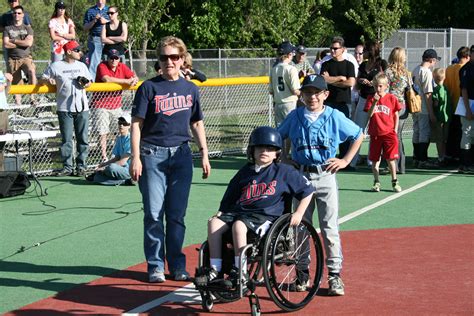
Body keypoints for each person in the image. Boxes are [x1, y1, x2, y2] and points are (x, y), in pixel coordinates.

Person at [130, 36, 211, 283]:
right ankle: (155, 266)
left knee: (176, 215)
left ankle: (177, 265)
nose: (169, 61)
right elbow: (136, 124)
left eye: (174, 57)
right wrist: (135, 157)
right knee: (154, 214)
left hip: (182, 155)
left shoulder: (190, 89)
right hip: (152, 154)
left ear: (182, 59)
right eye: (164, 57)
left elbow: (196, 122)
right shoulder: (148, 87)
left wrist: (204, 153)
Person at [278, 74, 364, 296]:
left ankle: (335, 275)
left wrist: (345, 160)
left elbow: (358, 134)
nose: (312, 97)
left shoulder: (334, 116)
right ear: (302, 95)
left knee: (329, 227)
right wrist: (285, 157)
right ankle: (302, 272)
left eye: (317, 92)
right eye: (307, 92)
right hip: (301, 178)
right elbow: (279, 138)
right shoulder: (295, 116)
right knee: (300, 226)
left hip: (325, 175)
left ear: (325, 94)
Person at [205, 126, 314, 287]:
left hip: (267, 217)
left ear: (277, 152)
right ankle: (215, 269)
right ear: (252, 150)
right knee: (213, 223)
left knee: (239, 226)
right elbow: (230, 196)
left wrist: (298, 213)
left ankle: (240, 271)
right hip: (241, 213)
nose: (264, 151)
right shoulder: (245, 172)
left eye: (270, 148)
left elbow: (308, 191)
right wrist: (221, 212)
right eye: (260, 147)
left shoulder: (283, 171)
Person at [41, 40, 93, 177]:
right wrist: (48, 81)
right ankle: (67, 167)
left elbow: (89, 82)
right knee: (67, 139)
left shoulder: (82, 66)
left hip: (82, 107)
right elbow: (43, 77)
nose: (79, 52)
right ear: (69, 52)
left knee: (83, 138)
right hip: (64, 107)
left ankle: (81, 166)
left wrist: (85, 83)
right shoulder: (56, 66)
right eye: (76, 50)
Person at [93, 48, 138, 161]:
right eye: (111, 58)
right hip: (101, 104)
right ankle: (103, 156)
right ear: (107, 58)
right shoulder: (102, 66)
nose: (113, 60)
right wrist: (126, 81)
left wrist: (134, 79)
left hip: (116, 105)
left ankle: (117, 154)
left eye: (116, 58)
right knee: (103, 132)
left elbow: (133, 76)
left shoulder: (122, 66)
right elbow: (106, 79)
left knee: (121, 129)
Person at [350, 41, 387, 169]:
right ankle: (352, 160)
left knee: (375, 131)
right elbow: (356, 84)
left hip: (376, 100)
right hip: (363, 98)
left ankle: (372, 161)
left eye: (365, 50)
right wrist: (361, 80)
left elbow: (384, 80)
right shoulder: (363, 65)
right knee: (358, 130)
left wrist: (373, 83)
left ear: (370, 51)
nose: (363, 53)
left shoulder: (381, 63)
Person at [320, 36, 356, 163]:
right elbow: (323, 80)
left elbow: (350, 82)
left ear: (343, 49)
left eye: (335, 48)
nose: (333, 51)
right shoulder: (325, 64)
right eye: (331, 48)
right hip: (329, 102)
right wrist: (340, 78)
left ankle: (345, 160)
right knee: (327, 131)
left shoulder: (349, 64)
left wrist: (332, 80)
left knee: (343, 131)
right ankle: (328, 158)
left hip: (343, 102)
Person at [364, 73, 402, 192]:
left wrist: (395, 130)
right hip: (375, 134)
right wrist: (375, 102)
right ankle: (376, 182)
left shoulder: (391, 98)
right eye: (375, 86)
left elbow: (396, 114)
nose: (378, 89)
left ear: (386, 86)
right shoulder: (371, 98)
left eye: (380, 86)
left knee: (391, 159)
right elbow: (369, 115)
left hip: (388, 134)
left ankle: (394, 181)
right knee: (375, 161)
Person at [86, 113, 133, 185]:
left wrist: (104, 168)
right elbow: (117, 158)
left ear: (129, 125)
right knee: (97, 177)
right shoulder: (119, 138)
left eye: (124, 123)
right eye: (120, 123)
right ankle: (124, 181)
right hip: (120, 169)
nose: (121, 125)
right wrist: (102, 165)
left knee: (111, 168)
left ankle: (126, 179)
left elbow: (122, 162)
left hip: (129, 170)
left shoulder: (131, 139)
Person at [412, 49, 440, 168]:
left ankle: (416, 157)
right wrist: (431, 113)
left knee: (417, 131)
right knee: (424, 132)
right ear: (431, 60)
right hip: (423, 106)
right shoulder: (426, 72)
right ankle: (422, 159)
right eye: (435, 60)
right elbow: (428, 94)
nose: (435, 62)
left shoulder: (415, 69)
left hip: (415, 105)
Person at [385, 47, 410, 174]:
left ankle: (393, 163)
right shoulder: (406, 72)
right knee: (398, 135)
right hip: (403, 106)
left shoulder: (388, 72)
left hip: (391, 106)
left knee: (390, 135)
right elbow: (409, 89)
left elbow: (385, 89)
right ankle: (401, 165)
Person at [444, 46, 470, 163]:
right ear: (467, 57)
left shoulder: (449, 68)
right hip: (462, 104)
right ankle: (460, 155)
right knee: (463, 132)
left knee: (452, 131)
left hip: (451, 104)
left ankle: (450, 154)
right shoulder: (465, 69)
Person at [2, 5, 37, 90]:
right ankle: (18, 103)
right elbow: (6, 44)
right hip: (13, 59)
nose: (17, 14)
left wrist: (13, 41)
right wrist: (22, 43)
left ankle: (33, 98)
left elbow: (29, 43)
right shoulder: (7, 28)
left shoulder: (28, 28)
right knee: (16, 85)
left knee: (32, 71)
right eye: (15, 13)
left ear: (23, 15)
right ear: (13, 15)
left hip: (26, 57)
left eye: (19, 13)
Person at [269, 41, 300, 126]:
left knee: (280, 132)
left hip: (278, 104)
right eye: (292, 53)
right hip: (290, 104)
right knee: (291, 131)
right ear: (289, 54)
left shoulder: (273, 69)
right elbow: (295, 90)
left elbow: (271, 91)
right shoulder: (291, 69)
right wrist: (305, 94)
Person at [457, 45, 474, 173]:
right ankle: (465, 163)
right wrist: (468, 109)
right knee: (467, 133)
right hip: (468, 103)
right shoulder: (466, 69)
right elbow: (464, 90)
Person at [83, 0, 109, 81]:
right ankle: (91, 87)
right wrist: (94, 20)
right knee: (94, 64)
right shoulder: (90, 11)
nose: (100, 1)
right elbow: (85, 27)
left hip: (108, 39)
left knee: (109, 63)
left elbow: (116, 23)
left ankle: (107, 88)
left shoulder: (110, 10)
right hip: (95, 39)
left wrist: (106, 22)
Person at [431, 68, 452, 166]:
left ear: (434, 78)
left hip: (439, 117)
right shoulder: (446, 89)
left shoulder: (436, 90)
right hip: (447, 116)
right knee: (445, 138)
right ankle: (444, 155)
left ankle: (440, 158)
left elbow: (436, 103)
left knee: (439, 138)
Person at [0, 70, 13, 171]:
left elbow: (4, 91)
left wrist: (8, 81)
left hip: (2, 112)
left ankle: (1, 175)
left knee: (1, 148)